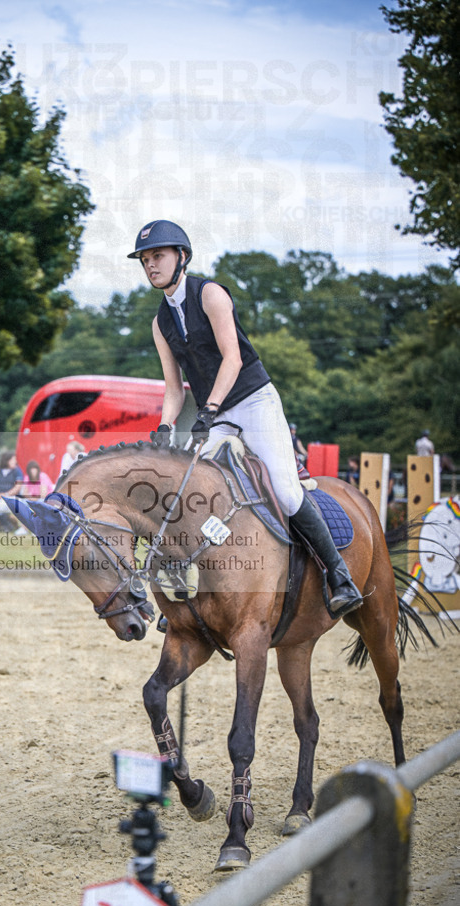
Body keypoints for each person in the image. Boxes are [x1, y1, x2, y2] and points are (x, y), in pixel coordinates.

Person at [127, 218, 362, 617]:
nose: (151, 265)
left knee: (286, 494)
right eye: (145, 259)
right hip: (213, 414)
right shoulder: (159, 322)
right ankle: (190, 587)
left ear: (182, 256)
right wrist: (166, 427)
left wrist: (210, 410)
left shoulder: (211, 294)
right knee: (189, 489)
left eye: (158, 256)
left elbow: (232, 359)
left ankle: (339, 576)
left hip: (254, 402)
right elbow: (172, 388)